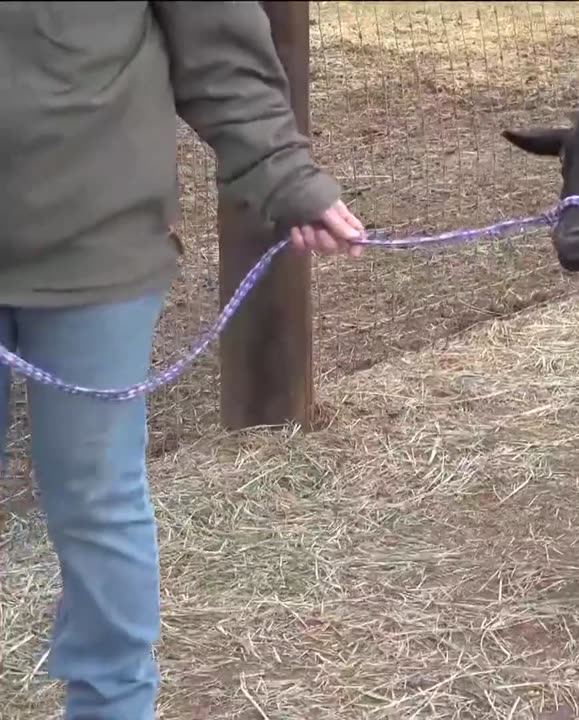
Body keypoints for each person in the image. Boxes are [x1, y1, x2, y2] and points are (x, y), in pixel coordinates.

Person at [0, 3, 366, 718]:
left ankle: (111, 704)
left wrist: (284, 173)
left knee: (95, 494)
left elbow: (219, 49)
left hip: (91, 244)